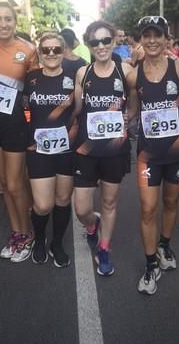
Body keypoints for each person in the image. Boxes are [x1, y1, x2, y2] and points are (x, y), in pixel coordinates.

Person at [126, 15, 179, 295]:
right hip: (147, 153)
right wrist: (116, 123)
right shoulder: (134, 75)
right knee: (147, 208)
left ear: (167, 39)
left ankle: (164, 245)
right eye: (147, 35)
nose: (152, 40)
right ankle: (149, 263)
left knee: (171, 202)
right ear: (141, 39)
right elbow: (132, 110)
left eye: (158, 35)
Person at [0, 2, 39, 263]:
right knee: (4, 185)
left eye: (8, 19)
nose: (3, 24)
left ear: (16, 22)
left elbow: (37, 89)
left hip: (15, 124)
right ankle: (16, 233)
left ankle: (28, 234)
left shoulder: (28, 50)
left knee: (15, 184)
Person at [73, 20, 136, 276]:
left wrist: (128, 116)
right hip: (86, 150)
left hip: (115, 150)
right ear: (88, 45)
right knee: (82, 209)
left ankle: (104, 248)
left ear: (113, 41)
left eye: (105, 41)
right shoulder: (82, 73)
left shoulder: (126, 70)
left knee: (110, 202)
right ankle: (92, 225)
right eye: (94, 42)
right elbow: (77, 110)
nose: (100, 46)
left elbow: (136, 100)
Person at [24, 33, 77, 267]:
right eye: (46, 50)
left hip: (66, 149)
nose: (52, 54)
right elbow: (23, 108)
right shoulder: (30, 78)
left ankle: (57, 243)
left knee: (63, 199)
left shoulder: (74, 78)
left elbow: (81, 109)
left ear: (64, 51)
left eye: (56, 49)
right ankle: (39, 239)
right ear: (40, 53)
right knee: (43, 204)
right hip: (39, 149)